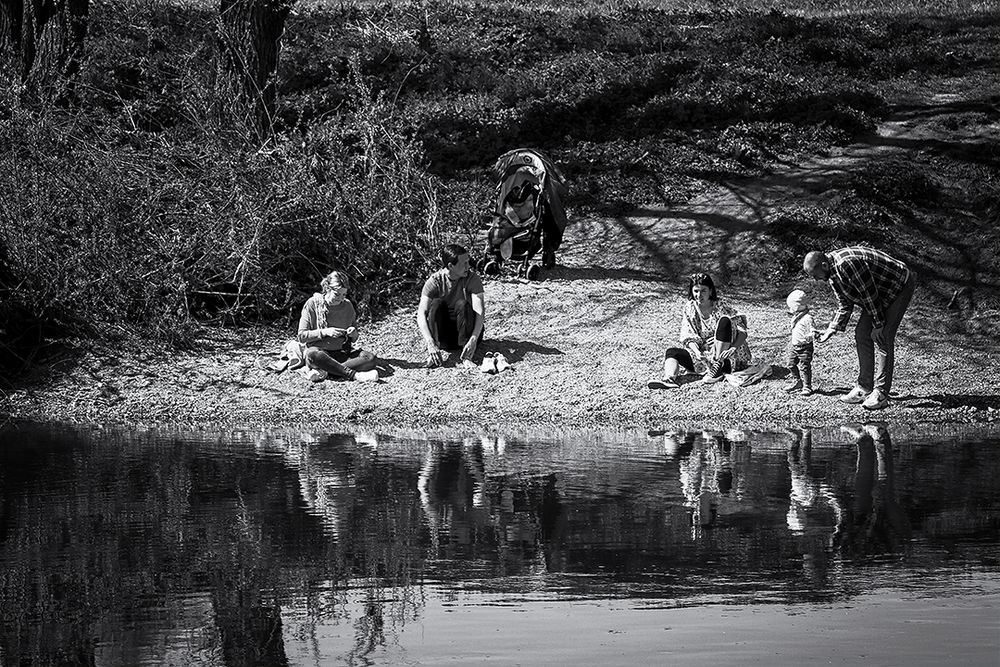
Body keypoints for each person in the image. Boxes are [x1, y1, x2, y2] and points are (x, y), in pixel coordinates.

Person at [803, 246, 916, 410]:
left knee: (883, 336)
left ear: (824, 265)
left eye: (815, 275)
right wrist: (830, 330)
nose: (815, 279)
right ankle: (864, 388)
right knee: (862, 334)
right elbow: (844, 304)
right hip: (878, 293)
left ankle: (881, 393)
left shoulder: (847, 264)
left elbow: (869, 294)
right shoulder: (832, 273)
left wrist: (878, 324)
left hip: (898, 285)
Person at [648, 272, 752, 389]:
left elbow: (742, 330)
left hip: (727, 355)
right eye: (696, 291)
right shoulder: (690, 308)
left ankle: (718, 369)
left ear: (710, 291)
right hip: (705, 355)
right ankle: (670, 379)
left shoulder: (720, 306)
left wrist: (732, 347)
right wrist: (697, 351)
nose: (699, 295)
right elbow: (688, 334)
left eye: (703, 291)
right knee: (672, 352)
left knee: (724, 321)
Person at [297, 271, 379, 382]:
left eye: (344, 295)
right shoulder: (312, 304)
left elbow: (354, 338)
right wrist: (325, 332)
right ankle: (354, 375)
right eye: (337, 294)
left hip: (342, 353)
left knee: (370, 358)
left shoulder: (348, 305)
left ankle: (328, 370)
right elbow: (302, 336)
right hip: (320, 353)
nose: (341, 298)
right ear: (327, 289)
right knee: (313, 355)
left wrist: (353, 333)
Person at [417, 244, 485, 368]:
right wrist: (429, 341)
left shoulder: (472, 278)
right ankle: (434, 351)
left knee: (463, 304)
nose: (468, 266)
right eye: (463, 264)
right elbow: (421, 313)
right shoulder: (435, 281)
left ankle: (467, 354)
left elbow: (479, 311)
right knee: (437, 303)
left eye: (468, 262)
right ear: (450, 266)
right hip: (444, 337)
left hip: (467, 332)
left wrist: (473, 339)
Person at [784, 289, 817, 396]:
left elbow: (812, 330)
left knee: (805, 366)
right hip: (794, 346)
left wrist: (811, 335)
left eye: (791, 306)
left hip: (805, 347)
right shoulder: (796, 316)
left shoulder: (808, 318)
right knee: (790, 364)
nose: (790, 309)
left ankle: (807, 386)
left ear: (797, 306)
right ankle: (797, 381)